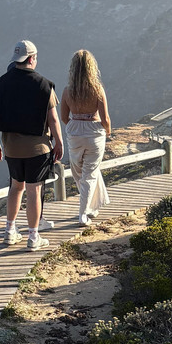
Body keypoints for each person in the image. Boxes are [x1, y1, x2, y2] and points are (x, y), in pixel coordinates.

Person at [0, 39, 63, 251]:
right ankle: (33, 236)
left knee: (15, 187)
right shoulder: (43, 84)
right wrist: (58, 141)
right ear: (31, 59)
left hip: (10, 146)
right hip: (37, 147)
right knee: (33, 190)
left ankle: (9, 231)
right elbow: (53, 119)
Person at [60, 49, 111, 226]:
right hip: (94, 132)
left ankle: (90, 207)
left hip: (75, 132)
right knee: (91, 172)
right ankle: (84, 213)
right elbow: (105, 118)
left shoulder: (68, 91)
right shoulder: (98, 90)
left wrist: (76, 126)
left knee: (79, 171)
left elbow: (63, 117)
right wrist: (108, 131)